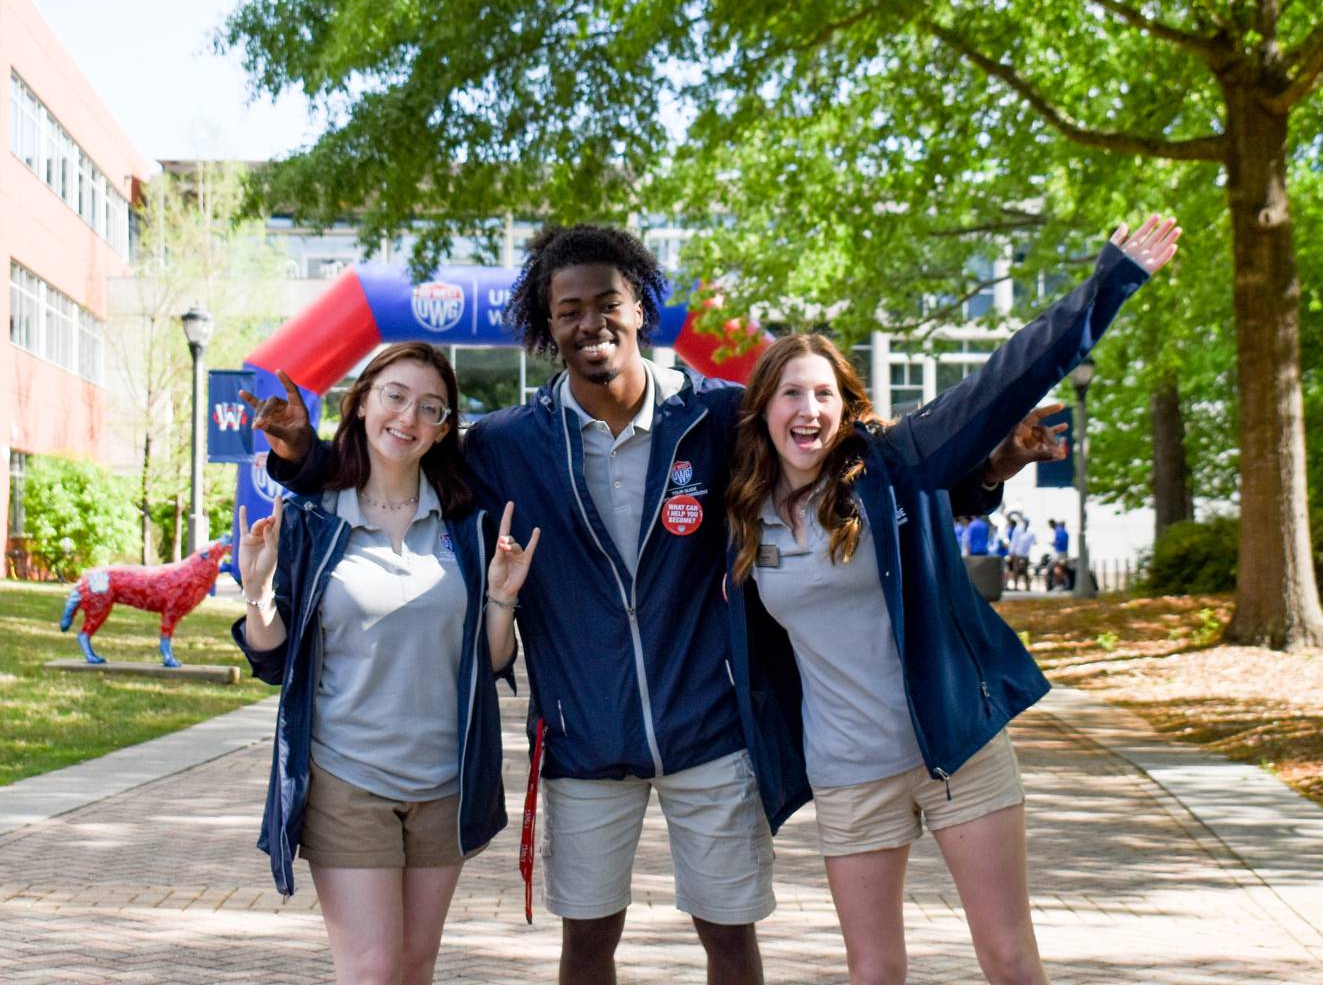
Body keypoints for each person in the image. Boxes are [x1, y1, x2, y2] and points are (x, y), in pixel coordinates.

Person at [246, 224, 1070, 985]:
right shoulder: (505, 445)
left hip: (709, 730)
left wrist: (985, 469)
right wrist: (301, 455)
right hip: (582, 737)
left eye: (607, 303)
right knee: (588, 942)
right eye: (567, 310)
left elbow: (848, 465)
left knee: (728, 936)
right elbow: (401, 460)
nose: (589, 322)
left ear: (639, 307)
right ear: (547, 324)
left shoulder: (715, 417)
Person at [724, 215, 1179, 985]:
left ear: (845, 406)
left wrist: (1110, 281)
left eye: (824, 394)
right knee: (873, 970)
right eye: (790, 393)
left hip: (955, 750)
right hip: (846, 771)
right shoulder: (741, 513)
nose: (808, 410)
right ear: (763, 407)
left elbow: (1000, 380)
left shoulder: (893, 465)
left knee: (1006, 957)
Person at [231, 342, 539, 985]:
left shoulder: (467, 526)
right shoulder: (315, 520)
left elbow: (490, 662)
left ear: (445, 429)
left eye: (431, 408)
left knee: (414, 967)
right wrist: (258, 594)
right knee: (371, 970)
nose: (409, 417)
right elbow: (272, 658)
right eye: (395, 396)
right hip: (347, 780)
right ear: (362, 402)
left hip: (444, 786)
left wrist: (502, 599)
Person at [1009, 516, 1037, 591]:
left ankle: (1027, 586)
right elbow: (1014, 541)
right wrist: (1011, 552)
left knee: (1025, 570)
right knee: (1016, 570)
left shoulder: (1031, 532)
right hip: (1017, 553)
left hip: (1025, 554)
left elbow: (1034, 542)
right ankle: (1015, 586)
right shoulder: (1018, 530)